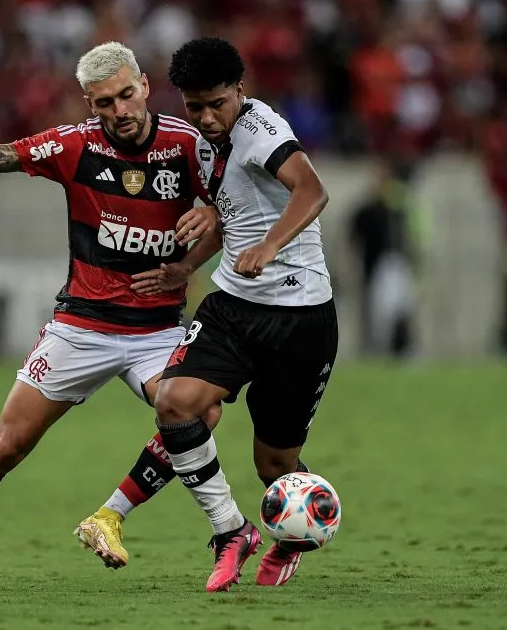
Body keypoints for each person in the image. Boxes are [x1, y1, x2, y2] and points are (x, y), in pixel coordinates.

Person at [0, 42, 222, 591]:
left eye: (127, 95)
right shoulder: (75, 145)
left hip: (157, 331)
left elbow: (233, 209)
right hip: (81, 328)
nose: (120, 111)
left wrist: (199, 244)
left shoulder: (187, 145)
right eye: (105, 103)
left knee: (199, 412)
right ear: (90, 104)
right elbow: (3, 155)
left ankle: (109, 516)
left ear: (145, 86)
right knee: (4, 447)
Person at [88, 37, 338, 593]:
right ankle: (231, 531)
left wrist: (269, 245)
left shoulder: (260, 129)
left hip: (299, 316)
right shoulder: (204, 143)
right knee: (175, 402)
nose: (205, 117)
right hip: (231, 305)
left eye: (217, 104)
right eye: (194, 106)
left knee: (274, 465)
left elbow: (312, 190)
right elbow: (233, 213)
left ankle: (294, 536)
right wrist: (187, 265)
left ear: (239, 92)